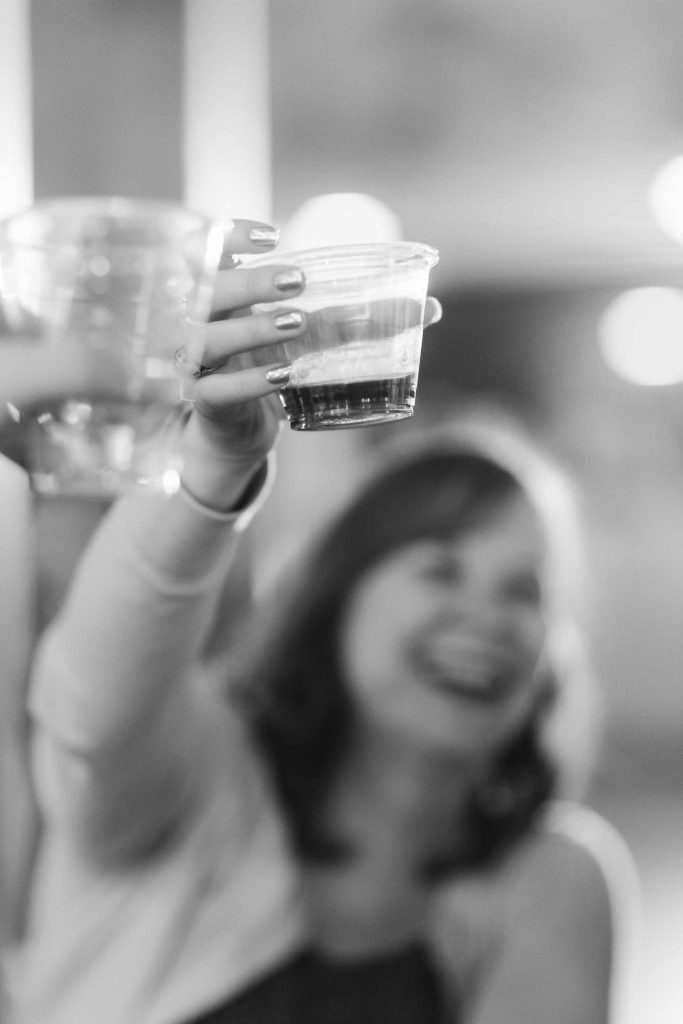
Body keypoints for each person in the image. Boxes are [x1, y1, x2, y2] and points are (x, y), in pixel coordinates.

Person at [9, 218, 637, 1024]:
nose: (486, 616)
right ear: (339, 597)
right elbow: (87, 708)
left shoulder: (548, 878)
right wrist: (211, 474)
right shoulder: (197, 779)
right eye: (439, 568)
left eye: (524, 593)